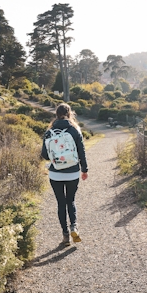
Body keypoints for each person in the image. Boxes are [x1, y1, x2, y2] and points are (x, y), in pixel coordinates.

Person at [41, 103, 88, 246]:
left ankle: (65, 235)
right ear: (69, 114)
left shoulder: (49, 132)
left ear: (56, 114)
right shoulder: (75, 130)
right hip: (72, 173)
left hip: (56, 175)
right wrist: (84, 169)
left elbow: (44, 155)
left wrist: (57, 157)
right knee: (71, 201)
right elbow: (81, 151)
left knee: (61, 204)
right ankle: (74, 226)